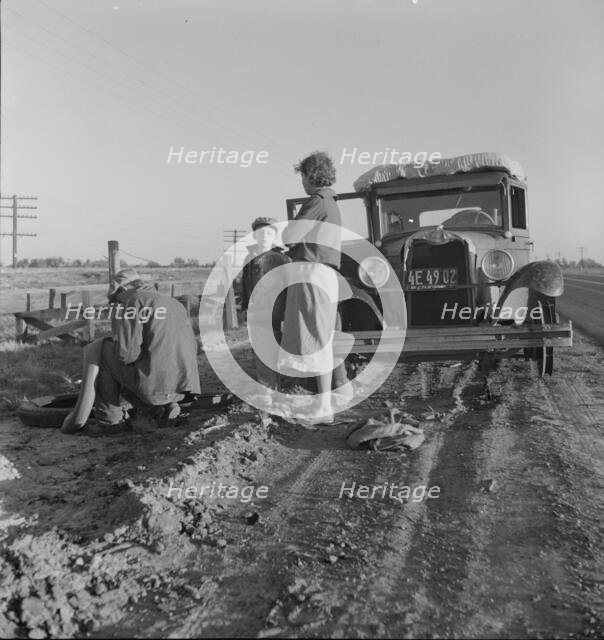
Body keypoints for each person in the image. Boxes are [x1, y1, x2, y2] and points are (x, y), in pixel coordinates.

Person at [61, 268, 201, 434]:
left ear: (122, 290)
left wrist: (114, 343)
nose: (116, 303)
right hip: (185, 387)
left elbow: (126, 355)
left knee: (103, 351)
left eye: (115, 298)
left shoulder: (130, 302)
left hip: (157, 387)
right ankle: (161, 411)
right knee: (131, 370)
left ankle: (110, 422)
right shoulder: (173, 303)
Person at [278, 151, 347, 424]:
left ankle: (324, 408)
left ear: (311, 176)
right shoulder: (332, 202)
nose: (302, 183)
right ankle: (325, 404)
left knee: (317, 340)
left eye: (303, 176)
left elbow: (290, 236)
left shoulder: (317, 201)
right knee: (323, 338)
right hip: (324, 273)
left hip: (312, 272)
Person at [240, 217, 290, 396]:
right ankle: (268, 388)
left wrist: (286, 311)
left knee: (273, 348)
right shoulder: (249, 259)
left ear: (275, 236)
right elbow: (246, 284)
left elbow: (289, 286)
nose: (264, 236)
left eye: (269, 233)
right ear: (255, 236)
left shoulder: (282, 259)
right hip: (256, 312)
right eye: (260, 233)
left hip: (276, 312)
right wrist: (245, 307)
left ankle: (271, 389)